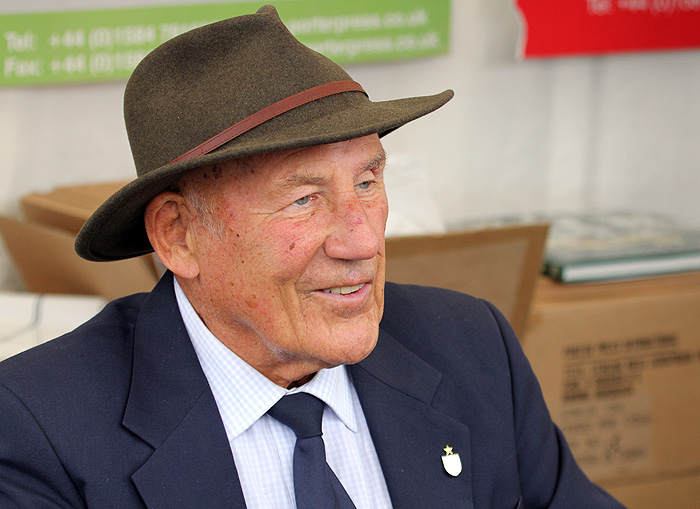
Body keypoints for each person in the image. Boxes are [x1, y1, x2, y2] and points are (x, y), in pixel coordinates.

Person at [0, 5, 623, 508]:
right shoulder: (39, 427)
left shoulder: (472, 348)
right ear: (178, 235)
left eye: (367, 183)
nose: (361, 243)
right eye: (303, 199)